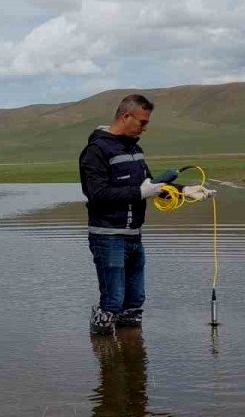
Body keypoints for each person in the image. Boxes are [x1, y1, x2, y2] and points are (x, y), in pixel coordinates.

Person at [78, 94, 214, 337]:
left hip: (134, 236)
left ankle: (133, 359)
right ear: (125, 116)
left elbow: (152, 186)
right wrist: (139, 192)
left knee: (135, 300)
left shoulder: (136, 150)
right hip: (108, 236)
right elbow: (97, 194)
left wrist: (185, 191)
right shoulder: (95, 152)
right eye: (142, 122)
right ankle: (105, 359)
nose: (145, 128)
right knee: (113, 300)